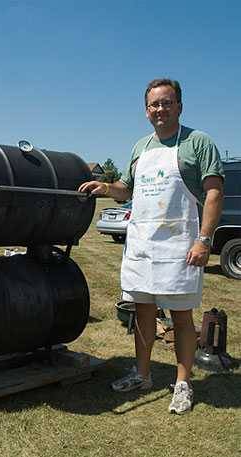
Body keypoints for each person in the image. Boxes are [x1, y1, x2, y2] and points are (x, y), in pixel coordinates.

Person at [79, 79, 224, 414]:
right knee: (142, 312)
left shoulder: (198, 143)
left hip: (180, 246)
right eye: (154, 104)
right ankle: (142, 375)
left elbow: (214, 193)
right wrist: (104, 187)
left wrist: (203, 240)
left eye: (167, 102)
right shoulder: (140, 147)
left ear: (179, 106)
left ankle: (184, 384)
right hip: (143, 245)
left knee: (181, 316)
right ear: (146, 111)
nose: (161, 109)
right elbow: (125, 190)